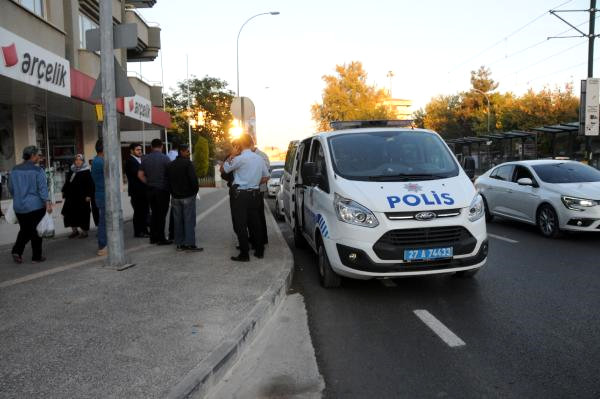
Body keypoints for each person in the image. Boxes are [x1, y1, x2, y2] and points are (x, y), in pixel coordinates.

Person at [220, 134, 269, 262]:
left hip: (240, 195)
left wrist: (232, 155)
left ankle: (244, 254)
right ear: (251, 143)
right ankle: (259, 251)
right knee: (255, 223)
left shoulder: (239, 159)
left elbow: (223, 170)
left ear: (240, 144)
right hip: (255, 194)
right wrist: (254, 183)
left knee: (240, 224)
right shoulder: (259, 159)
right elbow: (266, 176)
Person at [9, 145, 52, 264]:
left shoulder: (14, 169)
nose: (40, 157)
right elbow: (43, 189)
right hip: (35, 206)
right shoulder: (38, 171)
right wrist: (47, 203)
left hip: (19, 206)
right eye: (38, 155)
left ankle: (17, 251)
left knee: (24, 230)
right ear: (33, 156)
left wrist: (18, 196)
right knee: (36, 232)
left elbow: (11, 188)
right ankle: (36, 256)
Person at [167, 144, 202, 252]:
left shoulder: (171, 164)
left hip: (175, 197)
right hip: (188, 196)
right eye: (187, 151)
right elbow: (193, 180)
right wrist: (194, 192)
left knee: (178, 221)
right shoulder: (188, 163)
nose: (189, 153)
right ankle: (190, 244)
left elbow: (168, 180)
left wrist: (172, 192)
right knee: (189, 220)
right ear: (182, 151)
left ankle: (179, 244)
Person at [138, 138, 172, 245]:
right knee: (161, 214)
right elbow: (170, 174)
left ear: (151, 147)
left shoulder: (145, 159)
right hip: (162, 190)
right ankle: (161, 238)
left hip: (150, 190)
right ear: (161, 146)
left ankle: (153, 237)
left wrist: (148, 182)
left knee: (154, 213)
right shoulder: (165, 159)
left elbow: (140, 175)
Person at [61, 154, 94, 239]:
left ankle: (84, 232)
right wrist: (64, 191)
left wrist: (89, 195)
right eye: (76, 160)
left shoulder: (86, 171)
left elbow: (90, 184)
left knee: (83, 214)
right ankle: (74, 231)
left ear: (83, 161)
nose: (78, 161)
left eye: (80, 160)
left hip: (82, 197)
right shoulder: (72, 170)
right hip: (71, 197)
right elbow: (67, 182)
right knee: (69, 214)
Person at [124, 143, 149, 238]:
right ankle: (138, 232)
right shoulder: (130, 161)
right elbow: (137, 174)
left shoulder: (141, 159)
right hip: (136, 191)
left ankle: (145, 230)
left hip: (143, 191)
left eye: (140, 149)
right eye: (137, 149)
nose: (140, 151)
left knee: (145, 211)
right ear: (131, 151)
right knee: (139, 212)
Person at [91, 140, 107, 256]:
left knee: (105, 220)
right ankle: (103, 245)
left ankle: (105, 244)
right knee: (104, 221)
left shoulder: (98, 160)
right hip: (103, 194)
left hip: (101, 193)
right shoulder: (100, 162)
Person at [252, 141, 270, 246]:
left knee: (259, 215)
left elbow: (265, 172)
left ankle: (263, 239)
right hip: (252, 189)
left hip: (259, 189)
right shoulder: (249, 155)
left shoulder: (262, 155)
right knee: (253, 216)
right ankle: (255, 237)